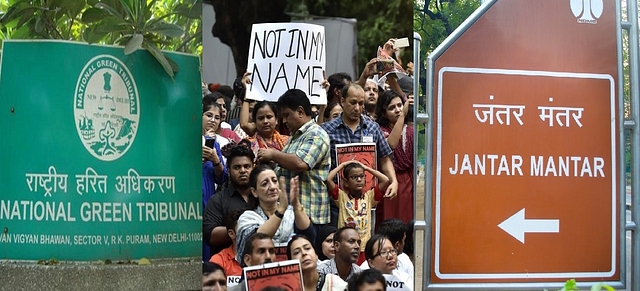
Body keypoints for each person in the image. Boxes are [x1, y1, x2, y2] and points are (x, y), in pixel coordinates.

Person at [321, 83, 399, 226]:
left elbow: (384, 158)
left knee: (365, 242)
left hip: (366, 202)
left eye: (361, 103)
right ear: (342, 101)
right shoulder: (327, 130)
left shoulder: (373, 127)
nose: (357, 108)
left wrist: (393, 181)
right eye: (353, 103)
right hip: (337, 203)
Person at [256, 89, 332, 228]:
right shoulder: (294, 137)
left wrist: (273, 154)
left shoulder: (316, 134)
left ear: (300, 111)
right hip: (293, 216)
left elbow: (301, 163)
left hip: (310, 217)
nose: (283, 121)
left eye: (286, 115)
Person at [235, 164, 316, 264]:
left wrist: (296, 204)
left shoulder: (290, 212)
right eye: (265, 184)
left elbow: (309, 236)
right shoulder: (248, 217)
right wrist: (281, 210)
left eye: (274, 181)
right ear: (254, 192)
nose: (272, 187)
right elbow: (256, 240)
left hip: (293, 271)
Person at [325, 161, 390, 264]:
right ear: (346, 182)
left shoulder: (369, 197)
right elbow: (328, 179)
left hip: (363, 247)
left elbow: (386, 180)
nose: (359, 180)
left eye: (361, 176)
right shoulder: (341, 197)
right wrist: (342, 166)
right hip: (345, 246)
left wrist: (367, 168)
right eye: (354, 177)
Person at [203, 144, 254, 256]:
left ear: (253, 168)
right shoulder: (218, 200)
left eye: (247, 166)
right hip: (228, 268)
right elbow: (210, 235)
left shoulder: (261, 197)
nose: (242, 171)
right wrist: (246, 228)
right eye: (237, 167)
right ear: (229, 170)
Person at [375, 90, 414, 223]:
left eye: (399, 105)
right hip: (389, 180)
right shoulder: (379, 130)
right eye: (392, 108)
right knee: (388, 219)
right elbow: (391, 144)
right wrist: (403, 114)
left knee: (407, 220)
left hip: (408, 182)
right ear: (383, 113)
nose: (397, 110)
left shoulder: (410, 130)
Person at [203, 102, 230, 261]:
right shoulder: (186, 140)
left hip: (208, 199)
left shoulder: (216, 145)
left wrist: (215, 160)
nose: (213, 120)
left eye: (217, 117)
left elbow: (222, 178)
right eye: (209, 115)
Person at [210, 209, 244, 277]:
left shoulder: (264, 255)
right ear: (232, 234)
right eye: (243, 228)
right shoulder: (218, 261)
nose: (249, 231)